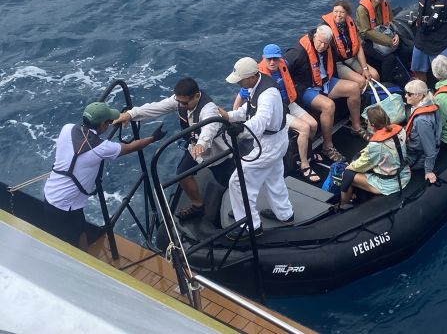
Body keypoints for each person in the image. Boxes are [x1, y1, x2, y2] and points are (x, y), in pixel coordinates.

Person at [43, 102, 166, 247]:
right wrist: (152, 138)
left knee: (81, 231)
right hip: (66, 206)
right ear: (101, 125)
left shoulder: (67, 129)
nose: (108, 125)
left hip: (50, 195)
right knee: (69, 244)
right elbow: (130, 147)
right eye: (108, 122)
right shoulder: (102, 148)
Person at [113, 77, 227, 221]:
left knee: (229, 182)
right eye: (179, 102)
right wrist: (130, 114)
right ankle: (198, 206)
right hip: (194, 147)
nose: (181, 105)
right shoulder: (180, 101)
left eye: (185, 102)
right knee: (183, 173)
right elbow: (157, 107)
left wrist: (201, 144)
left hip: (216, 152)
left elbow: (210, 127)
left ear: (197, 96)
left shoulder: (208, 108)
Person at [220, 57, 294, 238]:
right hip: (277, 139)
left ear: (252, 77)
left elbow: (260, 120)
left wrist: (241, 130)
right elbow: (249, 109)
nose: (238, 83)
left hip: (269, 145)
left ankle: (250, 226)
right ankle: (285, 214)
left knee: (238, 181)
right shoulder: (258, 85)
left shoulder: (267, 95)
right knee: (274, 177)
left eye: (241, 80)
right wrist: (229, 116)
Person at [234, 44, 320, 182]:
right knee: (304, 128)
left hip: (289, 104)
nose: (272, 62)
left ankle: (307, 152)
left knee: (313, 124)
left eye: (275, 59)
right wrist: (236, 115)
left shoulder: (282, 66)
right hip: (278, 111)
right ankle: (304, 165)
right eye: (269, 59)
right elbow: (241, 96)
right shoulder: (258, 77)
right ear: (263, 58)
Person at [285, 24, 370, 162]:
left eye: (326, 43)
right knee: (328, 106)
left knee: (354, 88)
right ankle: (327, 146)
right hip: (307, 88)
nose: (322, 46)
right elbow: (284, 70)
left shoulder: (330, 47)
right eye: (320, 42)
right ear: (314, 37)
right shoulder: (297, 52)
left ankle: (356, 126)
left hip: (325, 82)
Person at [339, 107, 411, 206]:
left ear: (372, 125)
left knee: (347, 175)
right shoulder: (400, 130)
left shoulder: (376, 145)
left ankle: (343, 205)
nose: (366, 121)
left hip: (390, 184)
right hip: (404, 173)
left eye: (367, 120)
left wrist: (349, 166)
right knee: (360, 157)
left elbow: (360, 165)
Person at [322, 0, 379, 90]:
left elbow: (358, 47)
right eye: (336, 11)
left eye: (342, 12)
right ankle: (362, 101)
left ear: (347, 14)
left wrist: (365, 69)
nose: (338, 15)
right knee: (361, 81)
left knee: (374, 75)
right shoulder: (326, 29)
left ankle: (374, 97)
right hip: (338, 64)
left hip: (352, 58)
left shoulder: (350, 24)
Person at [356, 0, 399, 81]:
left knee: (405, 48)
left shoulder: (385, 4)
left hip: (385, 35)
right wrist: (388, 41)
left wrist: (396, 34)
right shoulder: (362, 9)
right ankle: (387, 82)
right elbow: (366, 32)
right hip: (368, 41)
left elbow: (391, 21)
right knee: (389, 59)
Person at [404, 79, 442, 184]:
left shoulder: (421, 120)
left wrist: (428, 171)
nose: (405, 96)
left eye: (409, 94)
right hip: (419, 148)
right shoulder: (433, 103)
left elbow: (429, 149)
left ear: (419, 96)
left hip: (416, 158)